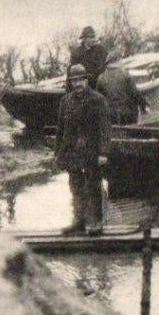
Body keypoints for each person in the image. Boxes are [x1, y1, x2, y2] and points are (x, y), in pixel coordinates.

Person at [55, 64, 110, 236]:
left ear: (86, 80)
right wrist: (58, 152)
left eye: (81, 80)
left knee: (93, 185)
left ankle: (97, 221)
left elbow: (105, 129)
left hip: (92, 150)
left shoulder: (98, 100)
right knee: (75, 185)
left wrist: (103, 152)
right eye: (74, 81)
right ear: (70, 83)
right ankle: (79, 220)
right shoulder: (66, 101)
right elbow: (61, 129)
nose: (78, 83)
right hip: (72, 151)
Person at [96, 49, 148, 125]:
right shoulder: (125, 74)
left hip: (110, 116)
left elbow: (99, 98)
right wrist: (144, 106)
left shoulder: (101, 77)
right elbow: (135, 93)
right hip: (128, 115)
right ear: (118, 60)